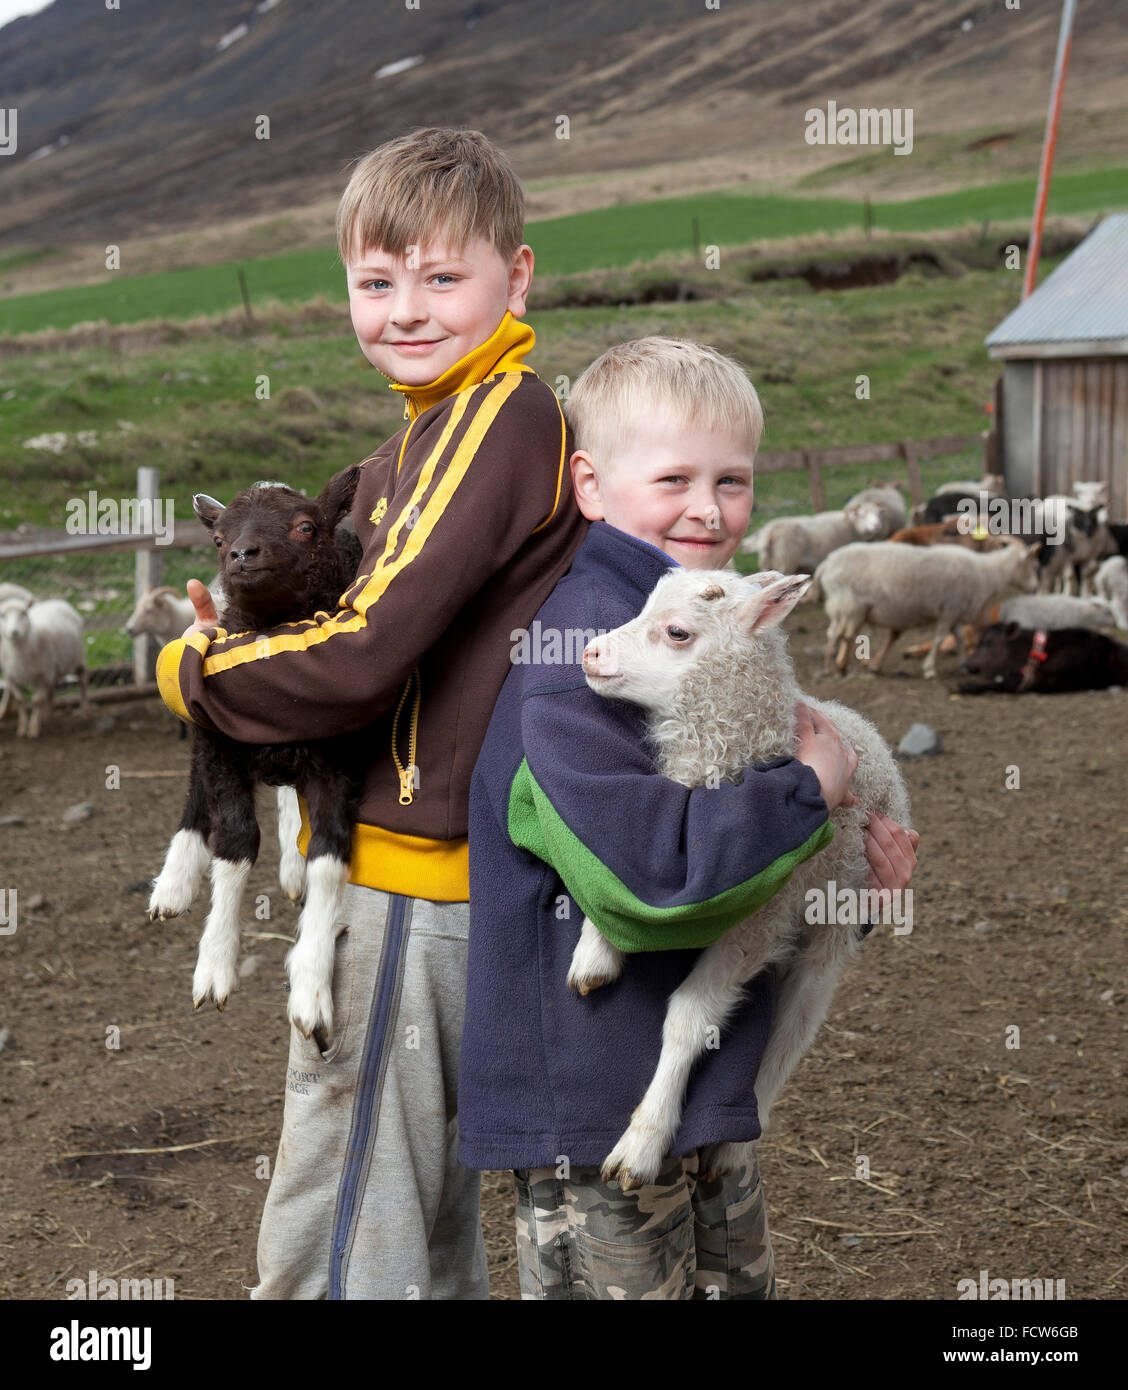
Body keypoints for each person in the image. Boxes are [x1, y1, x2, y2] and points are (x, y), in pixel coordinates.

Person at [156, 126, 587, 1299]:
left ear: (519, 276)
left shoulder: (499, 418)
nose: (407, 308)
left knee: (349, 1209)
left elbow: (361, 657)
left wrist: (193, 673)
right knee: (416, 1220)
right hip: (422, 873)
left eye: (444, 277)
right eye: (376, 280)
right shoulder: (410, 446)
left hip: (411, 882)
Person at [459, 336, 918, 1299]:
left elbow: (766, 858)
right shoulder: (579, 654)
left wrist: (851, 883)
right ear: (589, 482)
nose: (708, 508)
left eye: (734, 480)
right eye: (674, 477)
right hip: (594, 1093)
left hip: (702, 1084)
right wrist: (810, 793)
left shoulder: (717, 626)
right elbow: (650, 882)